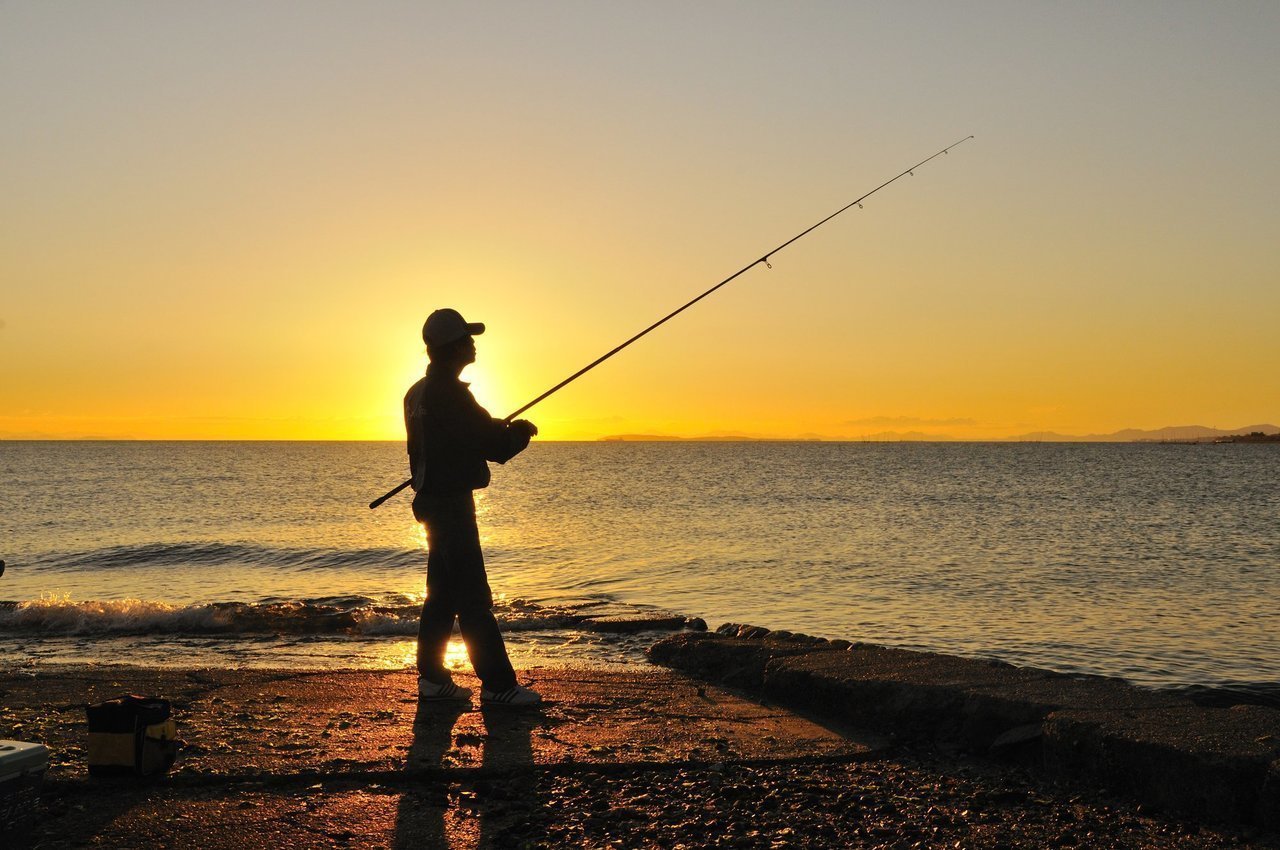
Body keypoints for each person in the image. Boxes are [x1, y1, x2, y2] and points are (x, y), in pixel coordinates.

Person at [405, 308, 542, 706]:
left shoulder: (417, 393)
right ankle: (499, 686)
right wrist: (519, 433)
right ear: (453, 347)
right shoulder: (451, 394)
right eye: (468, 338)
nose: (474, 343)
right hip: (451, 506)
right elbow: (492, 446)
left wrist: (494, 425)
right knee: (473, 599)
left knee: (442, 595)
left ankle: (432, 678)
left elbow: (460, 432)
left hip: (430, 501)